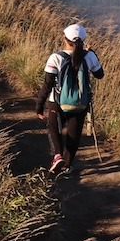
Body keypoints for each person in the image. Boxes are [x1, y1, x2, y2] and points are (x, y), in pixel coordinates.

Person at [34, 23, 104, 174]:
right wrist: (92, 52)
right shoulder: (89, 56)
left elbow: (47, 84)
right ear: (83, 40)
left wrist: (39, 106)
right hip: (81, 103)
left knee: (53, 128)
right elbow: (100, 75)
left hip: (57, 102)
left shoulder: (56, 58)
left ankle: (57, 156)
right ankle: (66, 166)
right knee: (74, 135)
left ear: (64, 39)